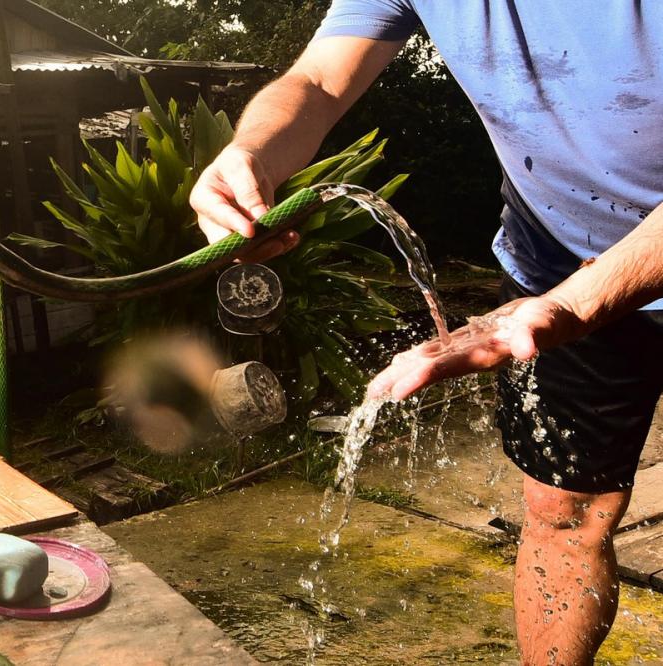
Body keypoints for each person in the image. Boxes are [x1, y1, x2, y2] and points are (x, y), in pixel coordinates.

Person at [189, 2, 663, 663]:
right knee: (564, 513)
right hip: (557, 250)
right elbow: (320, 81)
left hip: (579, 284)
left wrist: (576, 304)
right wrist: (252, 154)